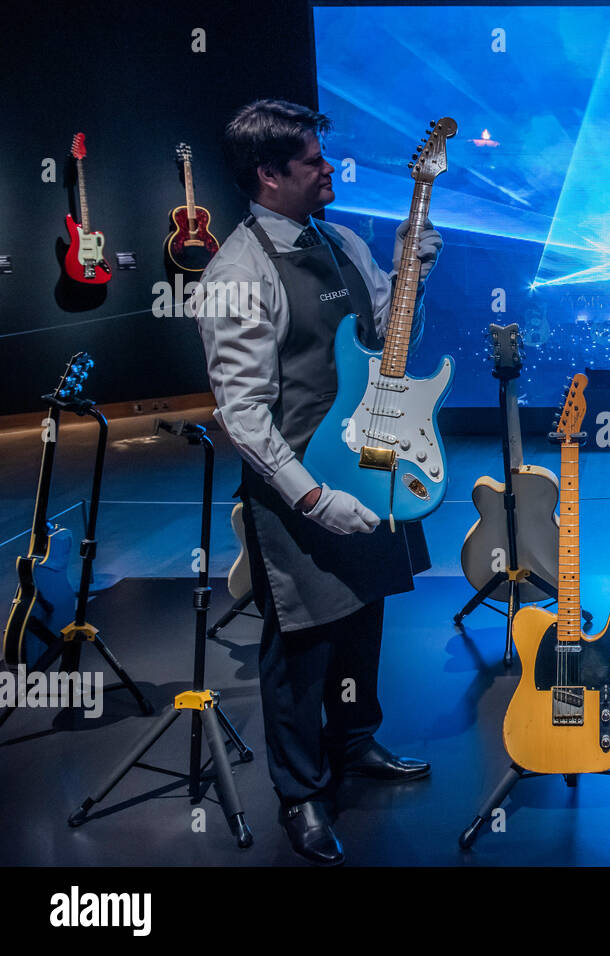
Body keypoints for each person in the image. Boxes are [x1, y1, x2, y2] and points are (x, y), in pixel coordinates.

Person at [191, 99, 443, 865]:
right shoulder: (236, 274)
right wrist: (312, 497)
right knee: (300, 644)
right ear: (268, 176)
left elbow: (386, 352)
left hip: (366, 465)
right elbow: (241, 414)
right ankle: (300, 792)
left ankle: (355, 742)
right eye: (311, 160)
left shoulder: (339, 242)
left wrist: (413, 278)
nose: (328, 169)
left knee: (362, 617)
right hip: (298, 488)